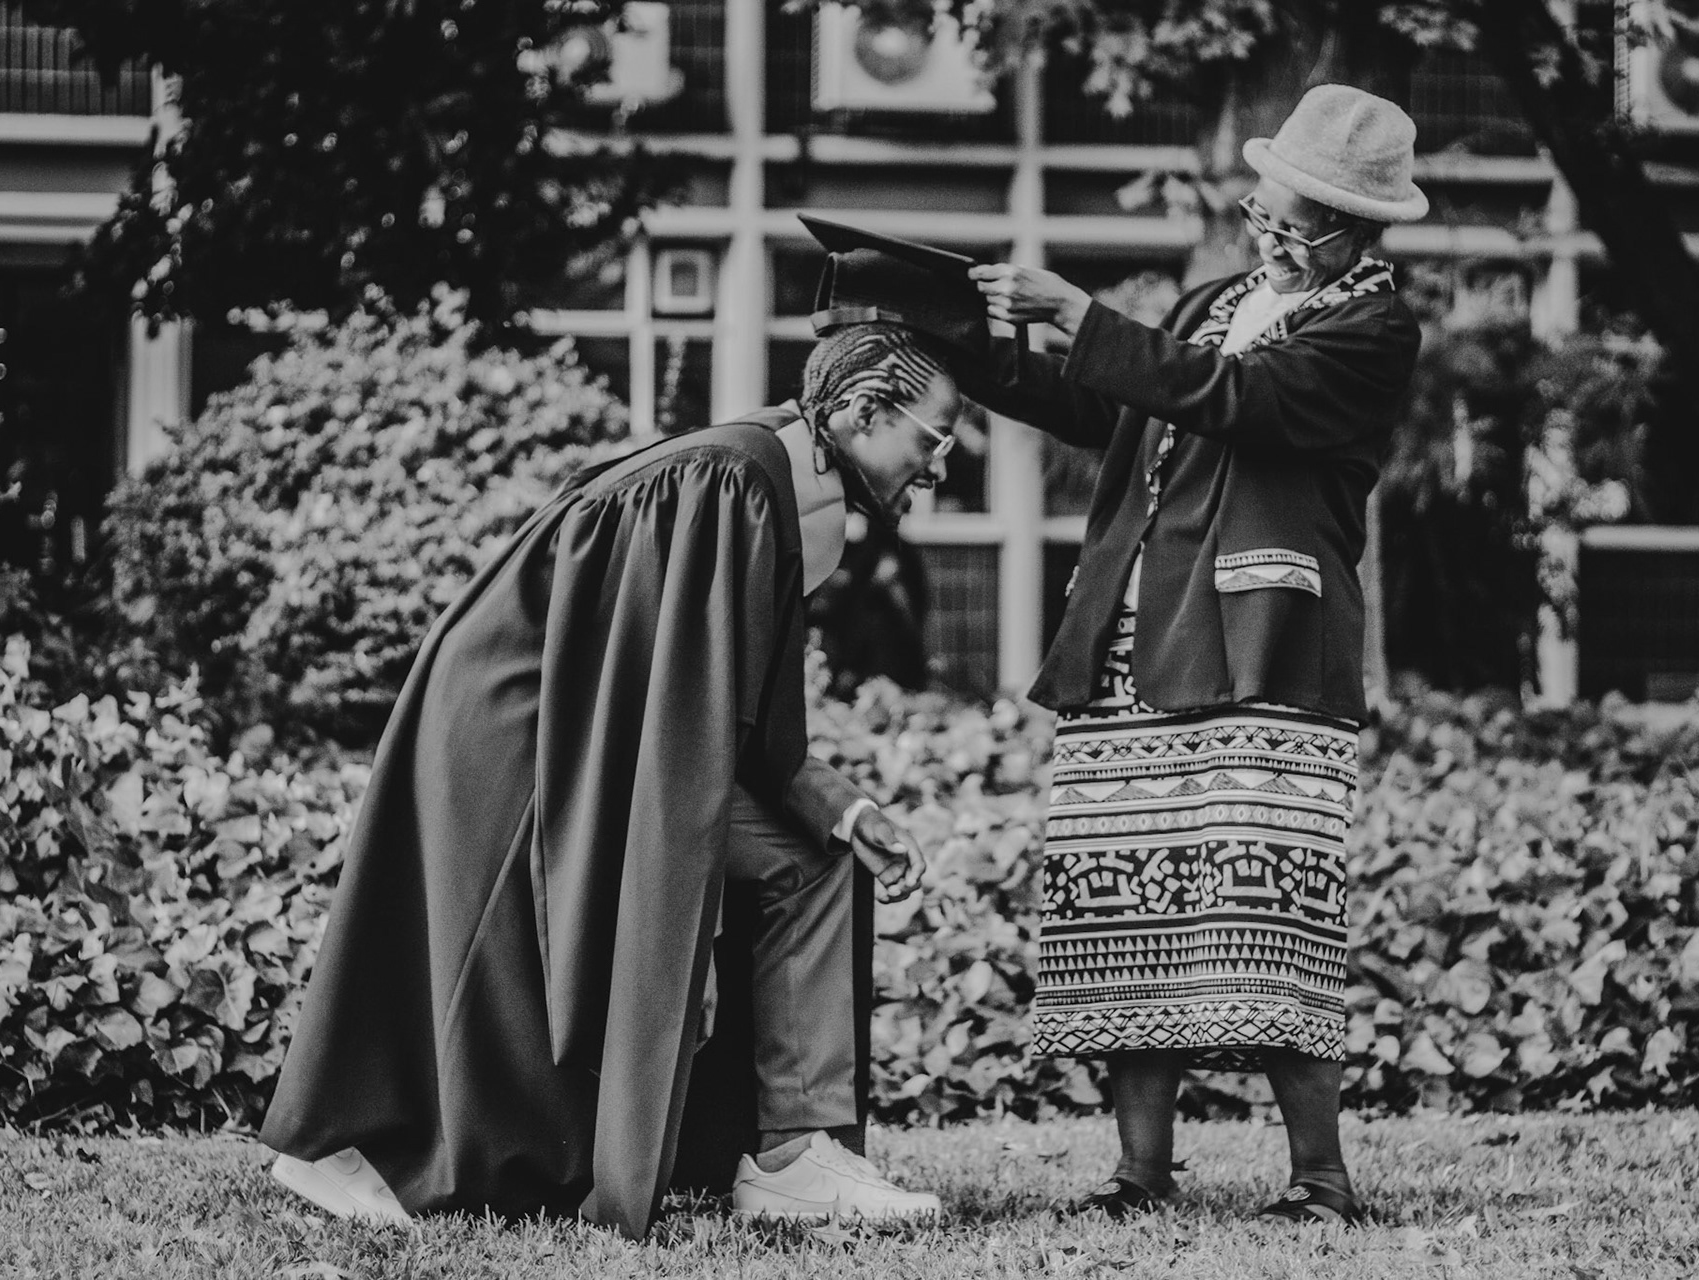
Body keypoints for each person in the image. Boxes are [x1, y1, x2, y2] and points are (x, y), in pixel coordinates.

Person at [259, 317, 969, 1237]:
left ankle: (796, 1159)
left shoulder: (784, 485)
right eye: (934, 438)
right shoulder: (733, 480)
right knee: (490, 952)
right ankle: (348, 1149)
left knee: (813, 861)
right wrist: (682, 904)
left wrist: (846, 809)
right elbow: (684, 720)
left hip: (613, 732)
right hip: (525, 727)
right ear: (864, 411)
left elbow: (737, 715)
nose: (941, 466)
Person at [964, 84, 1428, 1223]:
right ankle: (1139, 1172)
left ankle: (1321, 1180)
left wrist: (1081, 313)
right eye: (1263, 213)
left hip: (1264, 648)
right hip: (1131, 638)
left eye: (1295, 228)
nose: (1269, 239)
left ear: (1355, 233)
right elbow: (1111, 410)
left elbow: (1237, 399)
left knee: (1267, 906)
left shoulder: (1373, 330)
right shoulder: (1212, 301)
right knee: (1127, 898)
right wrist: (970, 349)